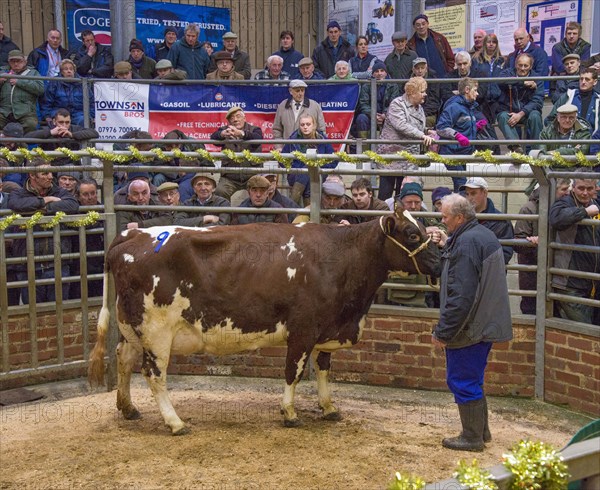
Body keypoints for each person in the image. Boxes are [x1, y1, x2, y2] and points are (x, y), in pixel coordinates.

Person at [433, 193, 512, 452]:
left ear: (459, 217)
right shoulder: (479, 235)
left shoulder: (467, 243)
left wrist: (443, 331)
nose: (442, 221)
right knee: (473, 379)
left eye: (445, 217)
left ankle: (471, 437)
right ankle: (481, 431)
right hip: (485, 321)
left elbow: (462, 295)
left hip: (471, 326)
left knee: (462, 379)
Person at [7, 159, 79, 304]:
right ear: (32, 176)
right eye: (44, 173)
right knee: (33, 314)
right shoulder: (18, 192)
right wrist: (45, 200)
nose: (50, 177)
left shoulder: (59, 191)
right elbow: (16, 204)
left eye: (51, 172)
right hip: (28, 265)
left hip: (58, 262)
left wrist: (42, 208)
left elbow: (72, 205)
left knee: (59, 311)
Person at [514, 179, 571, 315]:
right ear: (551, 190)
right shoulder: (529, 209)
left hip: (557, 275)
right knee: (532, 312)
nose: (567, 193)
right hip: (533, 275)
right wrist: (532, 243)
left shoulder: (566, 209)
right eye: (563, 189)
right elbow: (518, 244)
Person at [549, 172, 600, 324]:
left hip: (591, 282)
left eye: (589, 188)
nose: (585, 193)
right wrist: (584, 212)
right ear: (573, 187)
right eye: (581, 188)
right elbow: (556, 218)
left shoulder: (595, 205)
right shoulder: (565, 202)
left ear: (595, 188)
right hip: (569, 282)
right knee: (583, 331)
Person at [377, 77, 435, 200]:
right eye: (422, 91)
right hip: (391, 157)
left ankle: (400, 219)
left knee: (403, 196)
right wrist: (421, 135)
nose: (425, 94)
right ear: (412, 92)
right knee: (385, 195)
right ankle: (382, 218)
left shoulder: (419, 108)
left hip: (409, 159)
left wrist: (427, 131)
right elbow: (401, 125)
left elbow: (416, 127)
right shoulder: (397, 104)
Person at [436, 77, 482, 192]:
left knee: (461, 184)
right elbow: (441, 127)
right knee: (461, 183)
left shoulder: (469, 107)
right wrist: (457, 135)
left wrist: (475, 126)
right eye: (475, 90)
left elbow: (460, 124)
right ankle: (458, 208)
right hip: (451, 152)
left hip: (461, 153)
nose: (477, 93)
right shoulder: (454, 106)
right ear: (467, 90)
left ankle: (457, 208)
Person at [281, 114, 337, 205]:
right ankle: (311, 215)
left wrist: (321, 167)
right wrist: (293, 168)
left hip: (318, 173)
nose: (305, 127)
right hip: (295, 175)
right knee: (308, 171)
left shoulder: (322, 139)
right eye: (302, 125)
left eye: (308, 124)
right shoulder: (293, 139)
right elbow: (282, 159)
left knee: (310, 168)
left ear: (314, 125)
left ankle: (292, 206)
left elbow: (334, 159)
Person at [211, 106, 263, 201]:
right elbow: (213, 138)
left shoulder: (255, 129)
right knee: (220, 191)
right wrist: (222, 134)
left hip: (252, 176)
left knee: (260, 191)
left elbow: (258, 139)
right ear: (229, 122)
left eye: (238, 116)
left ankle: (255, 215)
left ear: (244, 118)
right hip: (230, 177)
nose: (235, 120)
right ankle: (225, 216)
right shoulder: (225, 130)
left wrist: (242, 134)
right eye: (232, 118)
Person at [459, 177, 514, 264]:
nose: (469, 198)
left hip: (489, 274)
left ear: (485, 193)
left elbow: (505, 254)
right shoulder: (461, 218)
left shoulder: (502, 221)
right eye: (467, 194)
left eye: (473, 193)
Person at [496, 53, 544, 153]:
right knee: (502, 116)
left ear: (530, 66)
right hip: (509, 112)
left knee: (535, 116)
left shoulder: (537, 78)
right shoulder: (508, 73)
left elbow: (537, 101)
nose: (522, 68)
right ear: (515, 64)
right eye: (520, 65)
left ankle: (537, 151)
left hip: (527, 113)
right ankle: (516, 149)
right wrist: (522, 82)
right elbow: (500, 81)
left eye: (526, 66)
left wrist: (521, 114)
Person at [25, 108, 99, 165]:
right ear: (54, 122)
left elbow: (94, 133)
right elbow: (27, 138)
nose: (64, 125)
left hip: (71, 165)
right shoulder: (46, 129)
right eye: (61, 122)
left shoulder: (74, 128)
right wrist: (50, 132)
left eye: (67, 122)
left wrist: (72, 135)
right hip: (50, 165)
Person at [71, 177, 104, 299]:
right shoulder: (73, 213)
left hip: (100, 265)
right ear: (78, 196)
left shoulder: (105, 211)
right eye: (85, 194)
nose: (90, 197)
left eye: (93, 193)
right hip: (78, 267)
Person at [0, 50, 44, 133]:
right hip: (4, 111)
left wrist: (19, 82)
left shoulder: (33, 73)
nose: (16, 64)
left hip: (25, 112)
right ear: (9, 62)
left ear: (25, 61)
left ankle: (18, 142)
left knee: (31, 124)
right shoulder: (3, 73)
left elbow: (40, 89)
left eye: (18, 61)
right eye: (13, 61)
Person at [272, 79, 326, 148]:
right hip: (287, 150)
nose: (300, 93)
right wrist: (279, 147)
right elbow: (277, 129)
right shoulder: (282, 106)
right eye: (297, 91)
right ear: (290, 91)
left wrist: (318, 149)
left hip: (309, 151)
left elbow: (321, 130)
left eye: (302, 90)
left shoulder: (314, 106)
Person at [354, 61, 399, 140]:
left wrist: (385, 114)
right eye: (376, 71)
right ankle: (365, 147)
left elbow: (394, 104)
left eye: (382, 71)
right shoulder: (366, 86)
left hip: (387, 114)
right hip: (370, 114)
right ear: (373, 74)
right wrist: (373, 114)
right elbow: (364, 104)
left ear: (386, 73)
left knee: (395, 119)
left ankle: (390, 146)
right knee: (361, 118)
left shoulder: (393, 85)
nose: (379, 73)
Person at [42, 58, 94, 127]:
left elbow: (91, 102)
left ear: (74, 71)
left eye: (71, 69)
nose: (69, 71)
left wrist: (91, 116)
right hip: (59, 112)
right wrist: (47, 116)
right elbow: (47, 103)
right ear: (61, 72)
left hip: (79, 113)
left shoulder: (83, 83)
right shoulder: (54, 82)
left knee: (83, 120)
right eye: (66, 69)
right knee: (59, 121)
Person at [547, 68, 599, 135]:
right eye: (581, 79)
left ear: (595, 82)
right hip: (567, 138)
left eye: (587, 79)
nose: (583, 82)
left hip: (592, 140)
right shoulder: (569, 95)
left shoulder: (598, 100)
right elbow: (550, 118)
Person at [471, 34, 507, 122]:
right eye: (489, 42)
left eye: (494, 42)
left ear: (497, 44)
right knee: (484, 123)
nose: (491, 44)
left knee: (495, 123)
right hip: (482, 98)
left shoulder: (503, 60)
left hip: (497, 98)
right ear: (485, 44)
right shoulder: (476, 59)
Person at [410, 57, 443, 128]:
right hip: (411, 112)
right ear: (413, 70)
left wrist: (420, 114)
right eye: (417, 68)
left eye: (422, 68)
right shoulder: (408, 81)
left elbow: (434, 102)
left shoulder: (434, 81)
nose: (420, 71)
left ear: (426, 69)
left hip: (428, 114)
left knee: (425, 121)